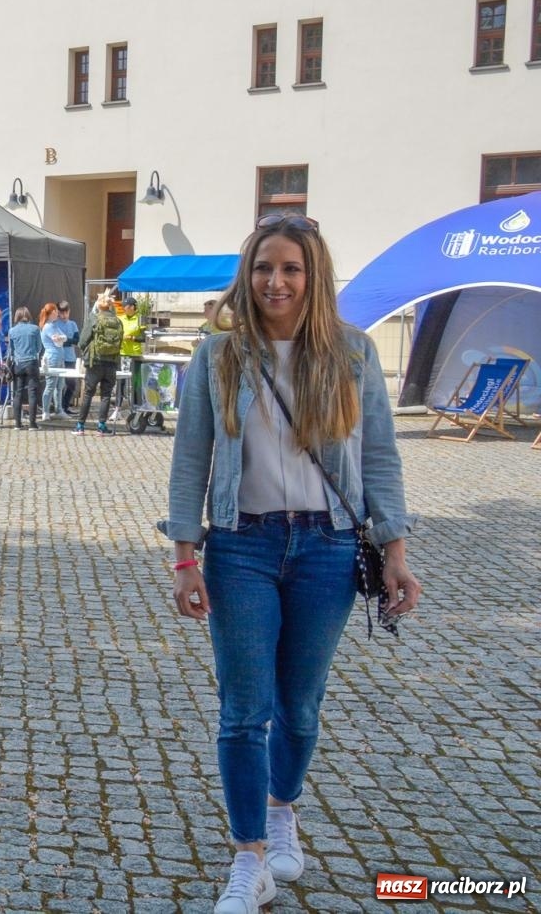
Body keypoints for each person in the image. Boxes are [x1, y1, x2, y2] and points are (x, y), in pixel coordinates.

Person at [161, 214, 422, 914]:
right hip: (240, 547)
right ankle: (249, 860)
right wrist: (184, 557)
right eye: (264, 267)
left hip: (327, 548)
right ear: (247, 275)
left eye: (291, 269)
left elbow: (378, 461)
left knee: (299, 709)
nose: (276, 281)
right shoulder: (217, 356)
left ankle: (283, 810)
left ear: (314, 277)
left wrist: (395, 551)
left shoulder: (353, 354)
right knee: (244, 712)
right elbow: (191, 459)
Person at [73, 292, 123, 436]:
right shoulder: (117, 321)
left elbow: (82, 341)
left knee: (88, 393)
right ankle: (101, 427)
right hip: (112, 362)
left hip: (95, 362)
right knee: (106, 395)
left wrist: (86, 351)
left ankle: (80, 426)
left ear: (98, 305)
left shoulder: (94, 319)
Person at [5, 306, 43, 429]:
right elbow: (39, 348)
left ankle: (17, 424)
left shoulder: (12, 331)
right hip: (31, 363)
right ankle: (32, 424)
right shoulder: (35, 329)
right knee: (32, 393)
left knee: (18, 393)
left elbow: (11, 350)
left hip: (18, 364)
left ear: (17, 317)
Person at [119, 295, 146, 412]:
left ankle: (136, 405)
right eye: (124, 306)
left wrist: (132, 338)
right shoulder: (120, 318)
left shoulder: (140, 319)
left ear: (132, 307)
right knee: (121, 381)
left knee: (136, 381)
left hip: (135, 355)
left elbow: (145, 337)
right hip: (122, 353)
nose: (124, 308)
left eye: (126, 306)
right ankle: (118, 406)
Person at [37, 303, 64, 419]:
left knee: (60, 385)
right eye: (56, 311)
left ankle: (59, 410)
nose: (58, 313)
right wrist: (60, 338)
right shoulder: (47, 327)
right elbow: (56, 340)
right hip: (52, 358)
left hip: (60, 357)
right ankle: (45, 411)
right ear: (51, 312)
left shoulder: (54, 325)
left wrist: (61, 338)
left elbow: (63, 337)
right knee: (50, 386)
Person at [53, 301, 80, 414]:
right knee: (57, 385)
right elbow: (54, 341)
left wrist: (64, 340)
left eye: (66, 313)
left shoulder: (73, 324)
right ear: (58, 313)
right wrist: (67, 341)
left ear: (69, 312)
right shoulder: (55, 324)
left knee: (71, 384)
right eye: (61, 313)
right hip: (58, 357)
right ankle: (57, 407)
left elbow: (76, 340)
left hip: (70, 358)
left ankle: (64, 406)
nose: (64, 316)